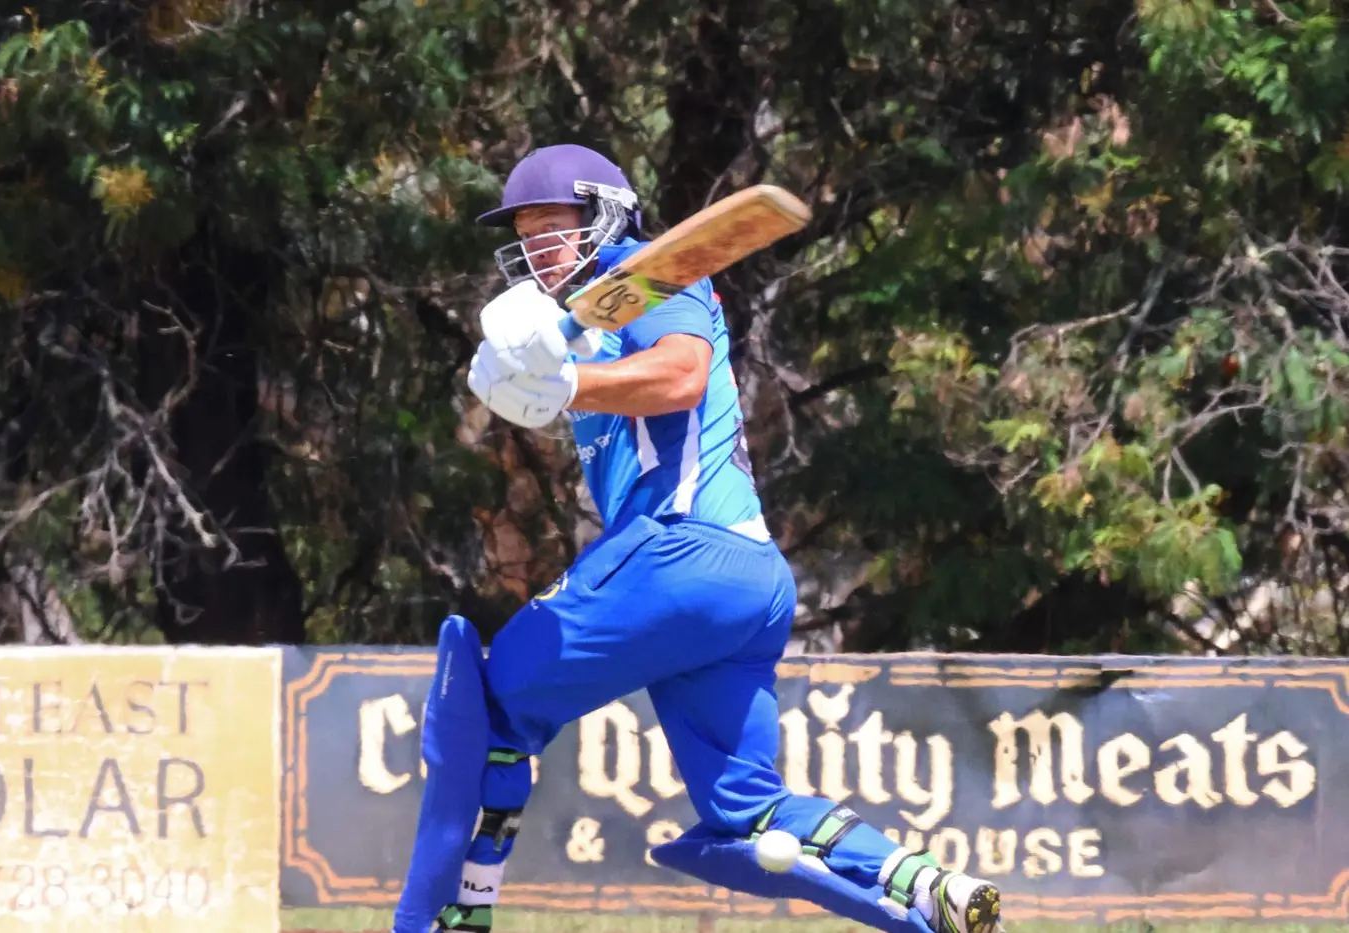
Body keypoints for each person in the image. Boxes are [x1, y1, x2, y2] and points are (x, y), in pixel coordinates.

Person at [390, 144, 1004, 933]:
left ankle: (443, 918)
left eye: (554, 226)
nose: (539, 246)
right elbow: (565, 376)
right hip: (747, 583)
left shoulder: (645, 273)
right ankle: (926, 887)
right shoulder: (575, 327)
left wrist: (566, 382)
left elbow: (680, 374)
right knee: (747, 815)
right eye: (527, 234)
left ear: (603, 216)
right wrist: (523, 374)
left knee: (480, 711)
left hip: (682, 551)